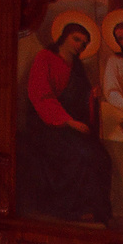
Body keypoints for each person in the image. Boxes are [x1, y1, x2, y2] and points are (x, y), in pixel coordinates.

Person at [21, 22, 112, 223]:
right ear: (64, 36)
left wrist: (91, 96)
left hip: (72, 127)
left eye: (85, 44)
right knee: (82, 155)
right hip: (47, 125)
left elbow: (80, 101)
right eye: (77, 39)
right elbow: (41, 95)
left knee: (101, 157)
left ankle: (93, 210)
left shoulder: (77, 67)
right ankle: (73, 209)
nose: (80, 45)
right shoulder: (45, 58)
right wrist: (68, 121)